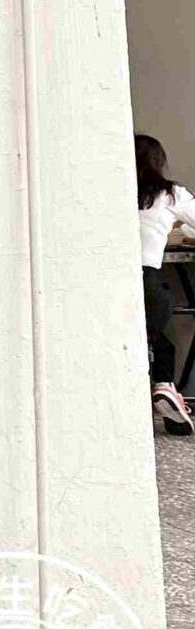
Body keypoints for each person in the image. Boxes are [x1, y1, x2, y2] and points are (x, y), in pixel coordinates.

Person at [138, 135, 195, 435]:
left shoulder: (109, 193)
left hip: (110, 282)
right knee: (157, 335)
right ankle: (164, 385)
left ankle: (161, 389)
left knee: (137, 341)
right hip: (147, 280)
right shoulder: (170, 194)